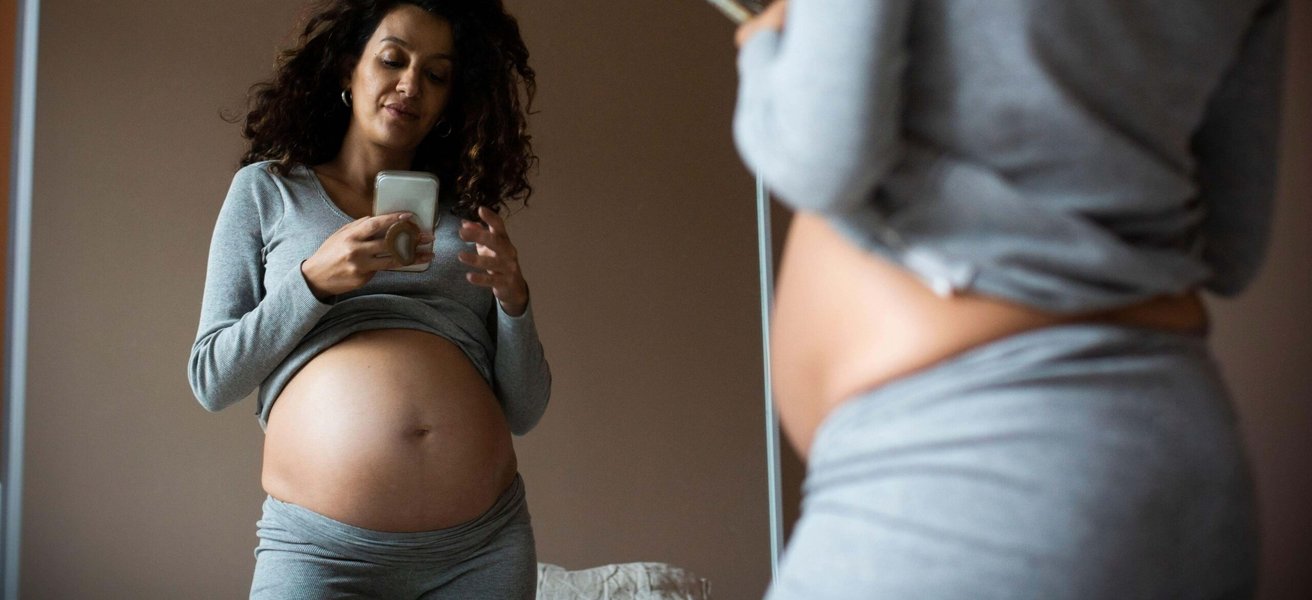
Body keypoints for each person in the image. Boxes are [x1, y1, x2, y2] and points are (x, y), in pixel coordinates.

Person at [733, 1, 1286, 598]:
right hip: (1184, 462)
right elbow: (1231, 248)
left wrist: (763, 50)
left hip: (976, 481)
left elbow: (819, 158)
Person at [187, 0, 548, 597]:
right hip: (320, 551)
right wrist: (314, 282)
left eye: (436, 74)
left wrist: (514, 300)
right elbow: (211, 378)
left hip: (481, 550)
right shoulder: (268, 191)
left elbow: (525, 410)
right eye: (392, 59)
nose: (411, 84)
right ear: (345, 70)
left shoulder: (467, 219)